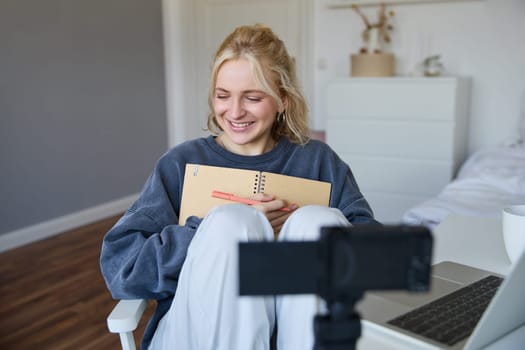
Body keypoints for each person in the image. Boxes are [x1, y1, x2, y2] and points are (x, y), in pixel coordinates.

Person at [100, 24, 377, 350]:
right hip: (196, 333)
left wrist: (298, 234)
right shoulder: (181, 162)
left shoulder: (318, 161)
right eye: (223, 96)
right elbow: (121, 267)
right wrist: (205, 234)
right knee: (232, 223)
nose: (234, 112)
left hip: (297, 334)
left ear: (282, 100)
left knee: (319, 224)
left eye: (253, 97)